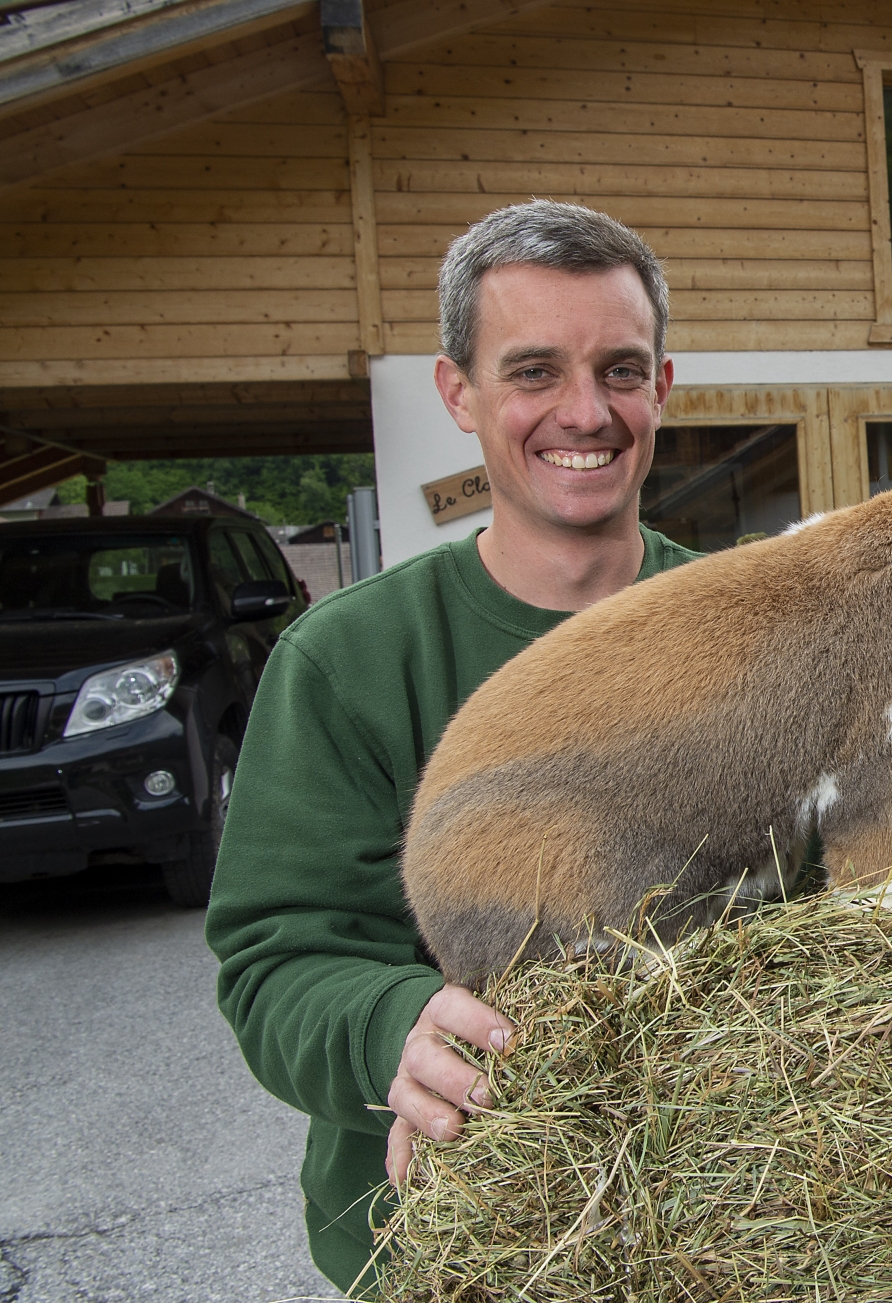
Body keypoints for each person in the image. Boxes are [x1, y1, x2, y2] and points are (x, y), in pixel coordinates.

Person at [206, 200, 696, 1296]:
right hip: (450, 1251)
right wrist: (393, 1028)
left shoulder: (749, 626)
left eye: (620, 369)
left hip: (714, 1235)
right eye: (532, 372)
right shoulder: (347, 662)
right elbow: (278, 962)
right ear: (457, 392)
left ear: (662, 386)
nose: (585, 411)